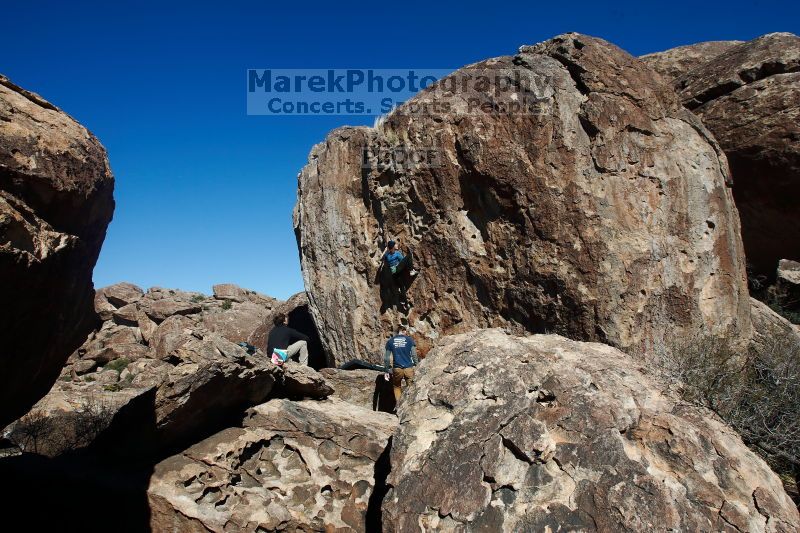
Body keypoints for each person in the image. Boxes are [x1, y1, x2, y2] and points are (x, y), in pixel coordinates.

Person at [378, 239, 417, 312]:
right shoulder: (397, 253)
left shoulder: (387, 255)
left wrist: (385, 250)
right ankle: (411, 271)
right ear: (393, 247)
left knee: (402, 287)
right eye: (395, 244)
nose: (396, 245)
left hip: (393, 275)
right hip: (397, 269)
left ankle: (405, 303)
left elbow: (381, 258)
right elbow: (402, 262)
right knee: (409, 256)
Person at [383, 325, 418, 403]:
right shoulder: (409, 340)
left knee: (397, 386)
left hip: (397, 368)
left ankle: (398, 405)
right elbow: (414, 355)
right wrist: (417, 364)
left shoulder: (390, 341)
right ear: (404, 330)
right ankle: (410, 406)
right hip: (409, 368)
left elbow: (386, 358)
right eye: (406, 332)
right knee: (411, 388)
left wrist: (386, 370)